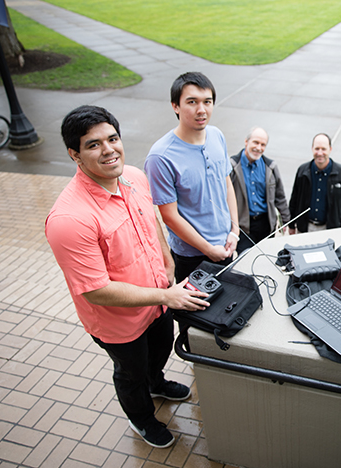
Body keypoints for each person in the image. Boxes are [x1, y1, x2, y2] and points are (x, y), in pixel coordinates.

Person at [46, 105, 211, 449]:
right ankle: (142, 418)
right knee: (130, 374)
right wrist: (167, 296)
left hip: (159, 300)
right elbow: (96, 291)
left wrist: (167, 264)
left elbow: (151, 222)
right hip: (119, 324)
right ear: (74, 155)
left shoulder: (134, 176)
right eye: (93, 145)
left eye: (113, 139)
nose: (109, 150)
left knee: (161, 350)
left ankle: (157, 381)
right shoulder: (69, 219)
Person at [145, 71, 240, 283]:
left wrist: (234, 230)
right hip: (191, 257)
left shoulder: (217, 135)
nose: (201, 110)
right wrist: (208, 250)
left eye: (207, 102)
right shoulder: (160, 156)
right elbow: (169, 216)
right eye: (192, 102)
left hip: (226, 245)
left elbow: (226, 183)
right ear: (175, 106)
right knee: (196, 315)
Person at [230, 127, 291, 253]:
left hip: (265, 225)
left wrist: (286, 221)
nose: (259, 148)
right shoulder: (232, 166)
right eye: (256, 142)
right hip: (243, 226)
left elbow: (280, 196)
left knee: (264, 259)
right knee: (245, 260)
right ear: (246, 142)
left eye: (263, 144)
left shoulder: (270, 167)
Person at [288, 133, 341, 234]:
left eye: (324, 149)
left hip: (329, 230)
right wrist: (291, 225)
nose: (320, 153)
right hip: (305, 229)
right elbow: (294, 200)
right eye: (317, 148)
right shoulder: (302, 171)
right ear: (312, 148)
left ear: (330, 149)